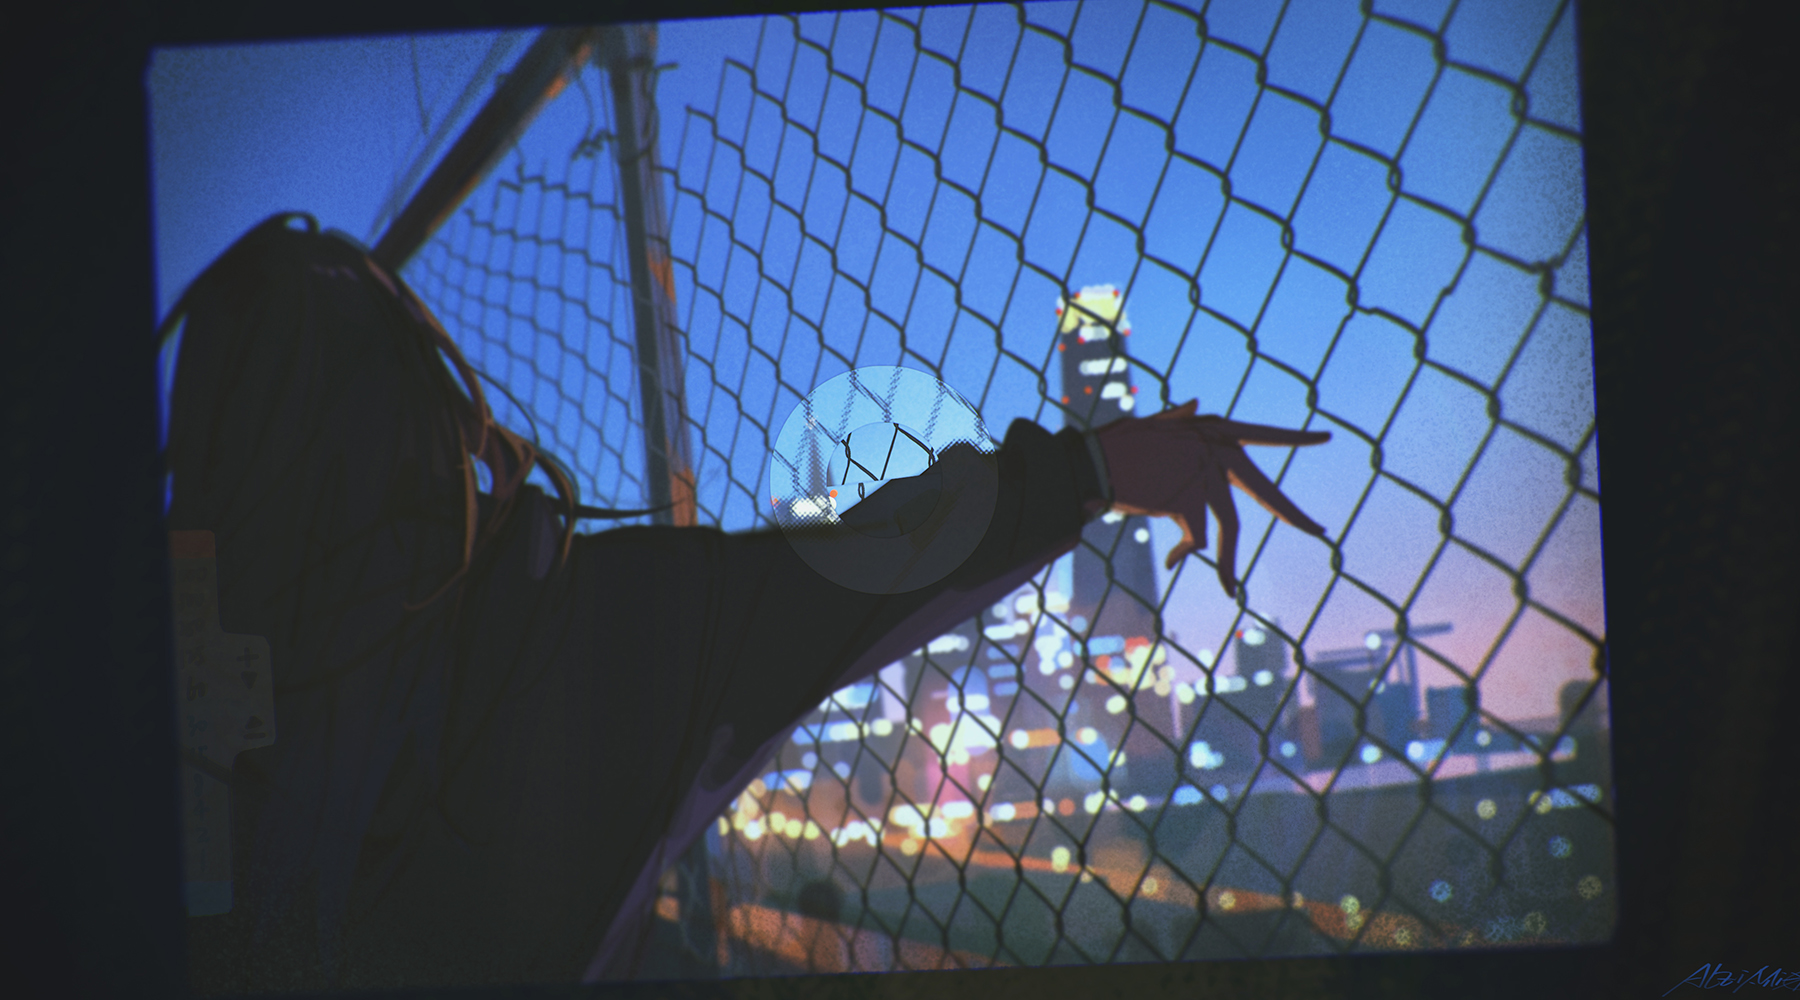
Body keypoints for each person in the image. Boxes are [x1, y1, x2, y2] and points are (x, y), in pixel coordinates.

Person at [165, 213, 1329, 990]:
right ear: (437, 416)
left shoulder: (156, 723)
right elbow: (859, 566)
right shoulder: (603, 635)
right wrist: (1092, 468)